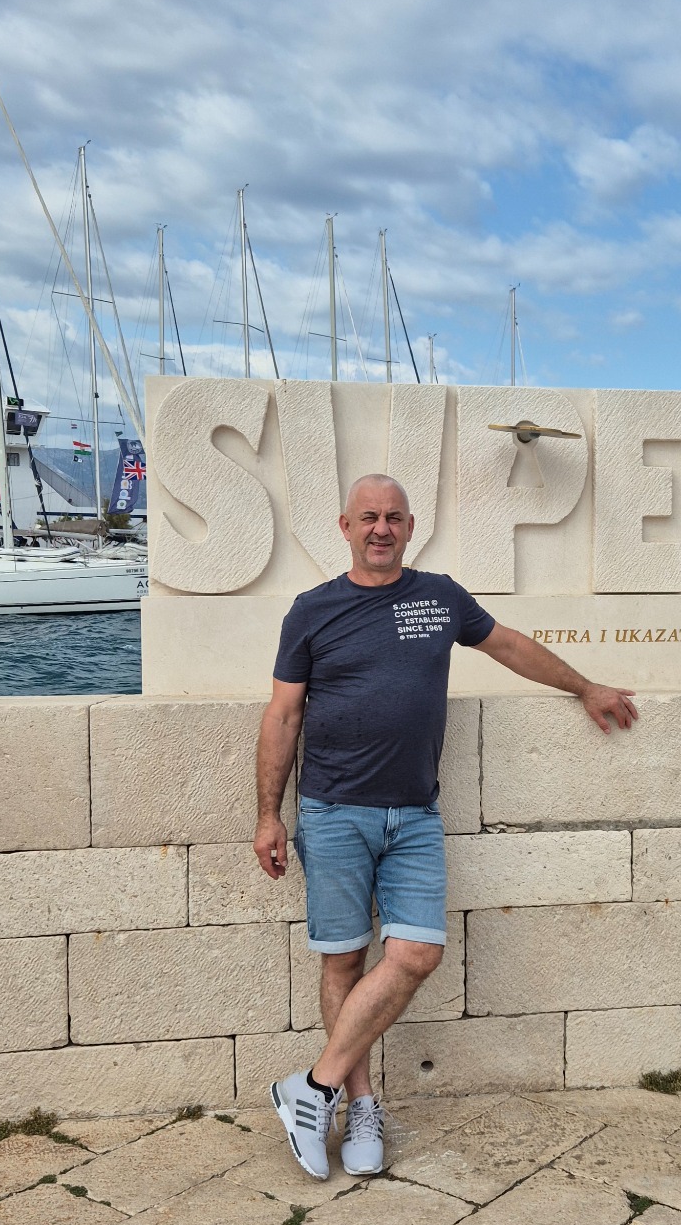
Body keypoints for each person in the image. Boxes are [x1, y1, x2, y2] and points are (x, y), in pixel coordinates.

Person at [255, 473, 637, 1180]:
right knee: (342, 960)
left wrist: (585, 685)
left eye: (394, 517)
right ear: (344, 526)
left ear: (410, 526)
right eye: (368, 517)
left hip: (416, 817)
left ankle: (309, 1089)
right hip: (333, 811)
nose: (381, 528)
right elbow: (282, 715)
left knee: (416, 955)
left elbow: (510, 646)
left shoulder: (440, 597)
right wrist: (267, 815)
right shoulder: (312, 611)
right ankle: (358, 1103)